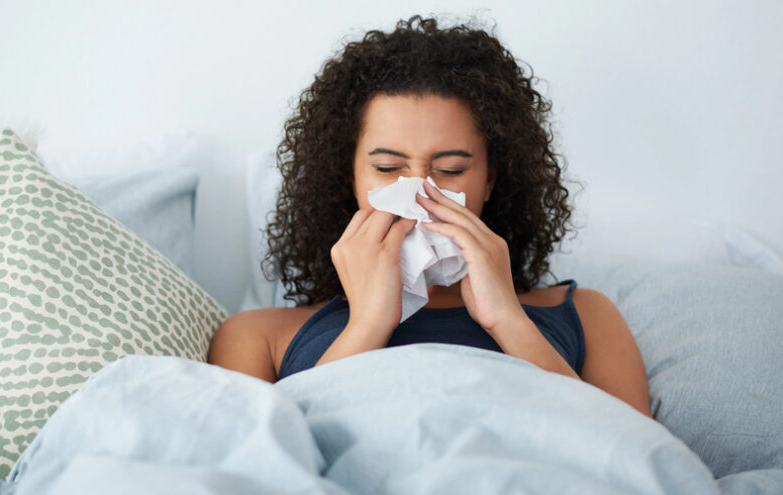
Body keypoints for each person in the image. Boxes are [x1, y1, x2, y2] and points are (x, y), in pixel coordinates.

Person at [208, 15, 652, 418]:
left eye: (450, 170)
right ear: (349, 177)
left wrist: (509, 322)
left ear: (491, 180)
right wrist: (368, 324)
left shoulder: (585, 316)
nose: (419, 193)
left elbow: (641, 462)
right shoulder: (258, 336)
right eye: (387, 169)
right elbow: (254, 464)